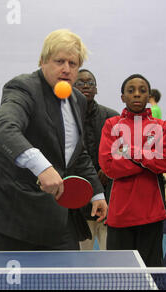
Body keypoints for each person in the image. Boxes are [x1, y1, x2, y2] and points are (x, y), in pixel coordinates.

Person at [0, 29, 108, 251]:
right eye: (59, 61)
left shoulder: (77, 100)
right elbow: (4, 128)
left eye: (73, 63)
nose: (66, 69)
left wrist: (96, 192)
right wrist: (41, 166)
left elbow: (77, 152)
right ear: (42, 61)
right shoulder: (23, 88)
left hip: (55, 220)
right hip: (7, 221)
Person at [98, 74, 166, 266]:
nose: (137, 95)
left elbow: (165, 163)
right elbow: (109, 166)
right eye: (131, 91)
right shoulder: (111, 125)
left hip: (151, 213)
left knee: (149, 275)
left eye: (142, 90)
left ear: (149, 96)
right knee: (120, 276)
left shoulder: (162, 126)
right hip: (119, 214)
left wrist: (129, 151)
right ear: (122, 97)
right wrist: (148, 160)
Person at [74, 69, 119, 251]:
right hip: (78, 202)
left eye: (90, 83)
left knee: (111, 260)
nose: (86, 86)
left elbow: (124, 151)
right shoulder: (65, 119)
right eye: (80, 82)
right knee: (80, 262)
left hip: (110, 199)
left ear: (96, 89)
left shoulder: (113, 117)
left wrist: (109, 169)